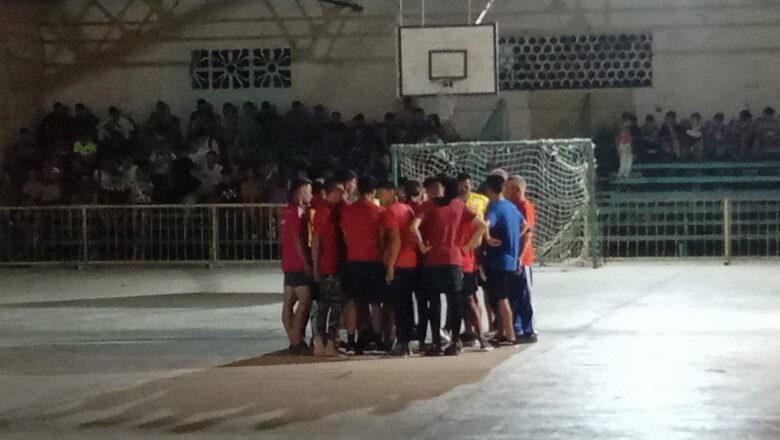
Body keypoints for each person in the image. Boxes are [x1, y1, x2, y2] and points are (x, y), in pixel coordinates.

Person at [411, 176, 487, 356]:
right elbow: (481, 225)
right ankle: (454, 341)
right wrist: (469, 245)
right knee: (455, 302)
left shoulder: (428, 206)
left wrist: (422, 246)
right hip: (454, 259)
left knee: (434, 303)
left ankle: (436, 342)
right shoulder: (459, 205)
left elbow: (413, 227)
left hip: (433, 259)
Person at [340, 176, 399, 354]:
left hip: (353, 260)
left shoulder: (348, 211)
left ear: (358, 191)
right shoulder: (379, 211)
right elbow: (382, 239)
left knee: (354, 302)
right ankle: (377, 336)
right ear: (373, 192)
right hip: (373, 261)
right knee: (375, 303)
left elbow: (344, 235)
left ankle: (353, 338)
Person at [482, 174, 524, 346]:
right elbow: (525, 224)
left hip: (499, 259)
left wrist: (488, 238)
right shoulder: (511, 207)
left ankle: (510, 334)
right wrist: (514, 238)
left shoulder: (495, 208)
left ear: (489, 189)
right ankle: (503, 331)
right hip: (511, 258)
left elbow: (486, 224)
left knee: (501, 297)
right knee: (501, 296)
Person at [377, 181, 417, 356]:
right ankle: (407, 339)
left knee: (399, 305)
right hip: (411, 262)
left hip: (399, 263)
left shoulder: (390, 212)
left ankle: (402, 342)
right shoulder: (407, 209)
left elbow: (395, 241)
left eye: (381, 191)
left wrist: (391, 267)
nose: (378, 195)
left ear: (390, 191)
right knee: (407, 304)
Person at [311, 179, 346, 357]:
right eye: (339, 192)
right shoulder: (324, 212)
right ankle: (324, 340)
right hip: (328, 265)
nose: (342, 195)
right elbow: (316, 242)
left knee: (330, 305)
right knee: (330, 305)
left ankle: (325, 340)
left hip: (335, 264)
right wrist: (316, 266)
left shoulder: (335, 210)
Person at [456, 173, 491, 350]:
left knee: (472, 297)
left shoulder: (481, 201)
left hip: (473, 254)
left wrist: (475, 243)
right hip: (461, 256)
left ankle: (481, 332)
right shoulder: (456, 205)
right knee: (465, 298)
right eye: (460, 185)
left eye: (466, 185)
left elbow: (485, 224)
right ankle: (469, 331)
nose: (464, 188)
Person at [280, 178, 313, 355]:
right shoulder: (297, 213)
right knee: (304, 301)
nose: (311, 195)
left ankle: (294, 339)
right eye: (309, 191)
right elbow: (298, 239)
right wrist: (306, 262)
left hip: (288, 262)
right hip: (298, 263)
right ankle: (296, 339)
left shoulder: (286, 211)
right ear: (300, 192)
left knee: (288, 302)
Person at [505, 175, 538, 343]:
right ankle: (518, 328)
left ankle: (528, 329)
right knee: (515, 295)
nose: (505, 191)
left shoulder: (524, 207)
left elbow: (527, 234)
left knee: (523, 296)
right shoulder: (514, 206)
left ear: (517, 190)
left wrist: (519, 256)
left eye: (508, 188)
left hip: (522, 259)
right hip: (515, 258)